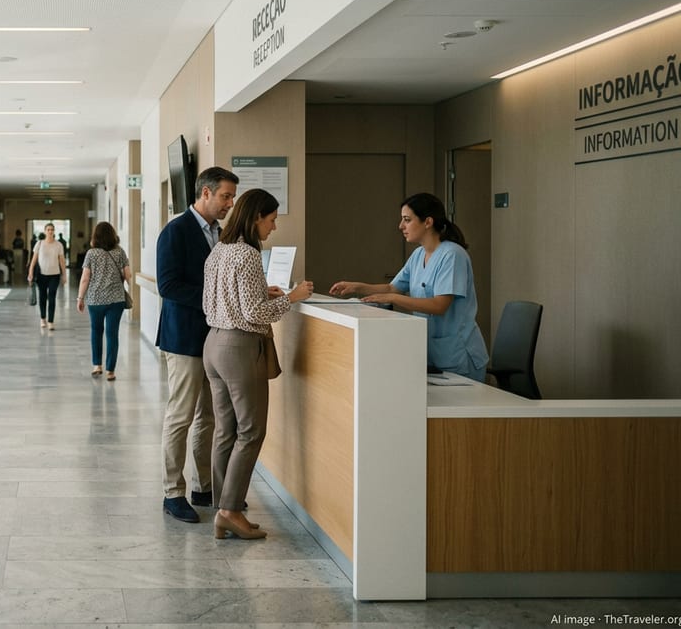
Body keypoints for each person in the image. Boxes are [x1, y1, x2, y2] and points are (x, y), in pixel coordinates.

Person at [202, 188, 314, 540]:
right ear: (255, 219)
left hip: (214, 344)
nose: (274, 226)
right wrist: (292, 299)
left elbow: (216, 298)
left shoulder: (219, 250)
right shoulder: (248, 254)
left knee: (225, 430)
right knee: (251, 431)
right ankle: (231, 510)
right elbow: (253, 313)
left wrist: (263, 291)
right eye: (271, 219)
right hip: (239, 348)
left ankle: (224, 506)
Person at [329, 192, 488, 380]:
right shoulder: (419, 254)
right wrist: (357, 287)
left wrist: (393, 299)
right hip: (432, 354)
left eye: (407, 220)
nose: (401, 226)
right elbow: (392, 288)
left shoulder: (452, 255)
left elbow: (439, 305)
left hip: (458, 356)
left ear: (427, 222)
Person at [156, 166, 238, 524]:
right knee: (181, 415)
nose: (230, 204)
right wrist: (216, 297)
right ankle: (173, 492)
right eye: (225, 196)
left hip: (215, 339)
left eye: (232, 198)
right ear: (205, 193)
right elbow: (168, 286)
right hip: (184, 339)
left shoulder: (223, 234)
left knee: (209, 416)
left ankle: (203, 487)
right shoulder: (175, 231)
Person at [76, 221, 131, 381]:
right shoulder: (119, 252)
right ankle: (110, 371)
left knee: (96, 331)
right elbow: (128, 275)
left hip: (95, 299)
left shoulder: (91, 254)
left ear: (96, 236)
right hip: (116, 299)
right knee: (112, 334)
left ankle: (96, 365)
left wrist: (80, 297)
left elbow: (85, 278)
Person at [27, 223, 66, 330]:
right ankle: (43, 318)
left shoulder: (58, 245)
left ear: (54, 231)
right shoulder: (39, 244)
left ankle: (51, 321)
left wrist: (64, 275)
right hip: (41, 275)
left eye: (52, 230)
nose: (50, 231)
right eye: (48, 229)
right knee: (42, 297)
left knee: (52, 298)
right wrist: (30, 273)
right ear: (45, 231)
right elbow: (33, 260)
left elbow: (62, 261)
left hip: (54, 275)